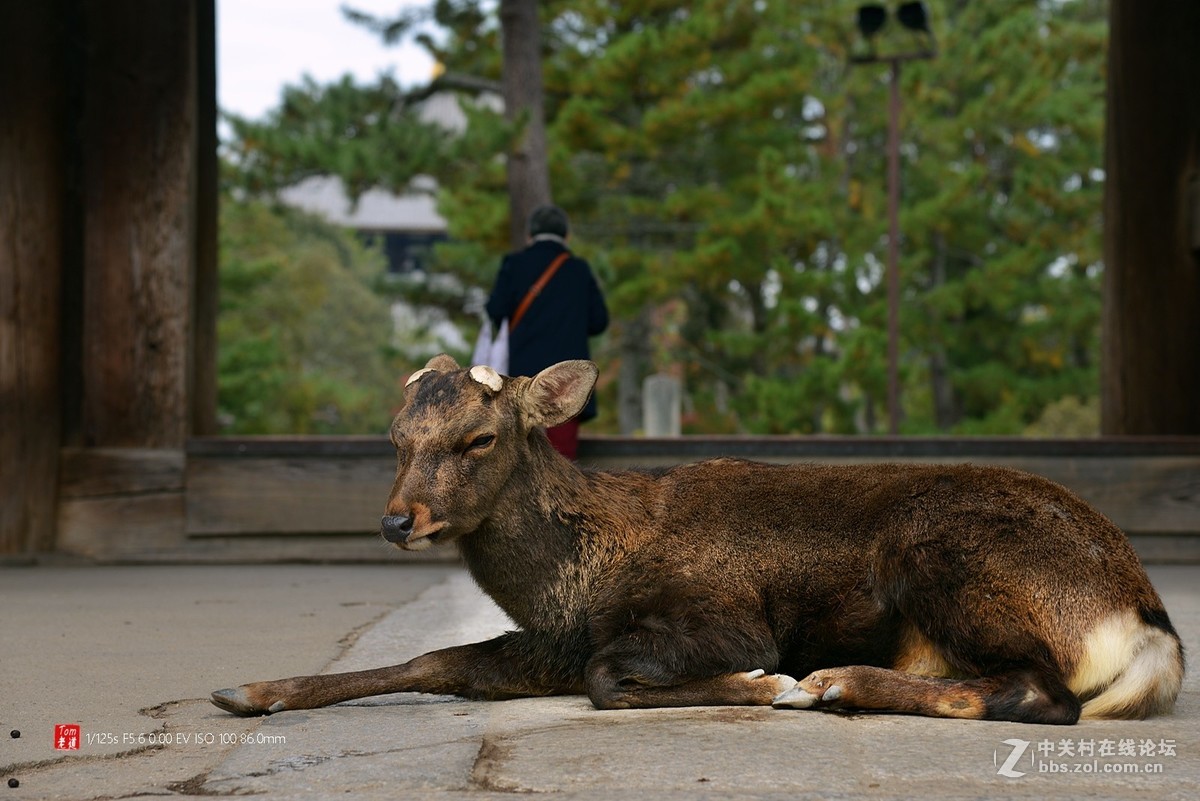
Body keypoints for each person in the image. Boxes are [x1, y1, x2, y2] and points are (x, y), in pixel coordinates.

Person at [486, 205, 609, 459]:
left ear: (530, 235)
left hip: (522, 376)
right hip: (567, 378)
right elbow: (599, 321)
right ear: (566, 236)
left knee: (522, 456)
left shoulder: (514, 264)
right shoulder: (579, 270)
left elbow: (495, 310)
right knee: (562, 457)